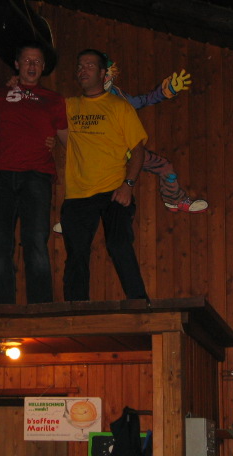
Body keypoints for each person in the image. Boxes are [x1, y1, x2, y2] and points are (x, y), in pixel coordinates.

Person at [0, 41, 68, 304]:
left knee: (36, 242)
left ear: (44, 67)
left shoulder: (54, 100)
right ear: (17, 64)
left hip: (37, 176)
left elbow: (70, 142)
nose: (32, 65)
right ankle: (2, 309)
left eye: (37, 61)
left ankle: (40, 309)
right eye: (27, 60)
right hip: (1, 177)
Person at [59, 49, 150, 302]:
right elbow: (38, 106)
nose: (83, 70)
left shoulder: (120, 107)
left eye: (89, 66)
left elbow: (138, 150)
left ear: (102, 73)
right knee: (76, 254)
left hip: (114, 190)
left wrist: (128, 185)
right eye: (80, 66)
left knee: (119, 245)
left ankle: (140, 303)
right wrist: (15, 84)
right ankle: (76, 311)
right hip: (78, 194)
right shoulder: (68, 105)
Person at [103, 59, 207, 213]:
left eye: (106, 74)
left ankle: (174, 200)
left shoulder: (117, 95)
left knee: (164, 167)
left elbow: (141, 101)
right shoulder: (87, 102)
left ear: (112, 75)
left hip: (125, 150)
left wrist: (166, 91)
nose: (103, 78)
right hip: (102, 156)